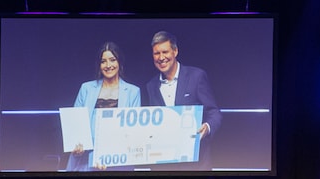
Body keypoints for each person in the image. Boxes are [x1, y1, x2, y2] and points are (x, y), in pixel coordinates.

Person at [143, 31, 222, 167]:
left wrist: (207, 127)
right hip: (164, 164)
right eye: (157, 53)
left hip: (196, 162)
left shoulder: (196, 76)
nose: (161, 57)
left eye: (165, 52)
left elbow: (214, 112)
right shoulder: (151, 86)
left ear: (175, 51)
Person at [66, 41, 141, 171]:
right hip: (85, 160)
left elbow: (133, 133)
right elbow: (76, 127)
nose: (108, 65)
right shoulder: (86, 88)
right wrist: (76, 147)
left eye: (112, 60)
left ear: (119, 62)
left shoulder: (133, 92)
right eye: (103, 61)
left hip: (118, 160)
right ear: (99, 65)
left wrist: (108, 156)